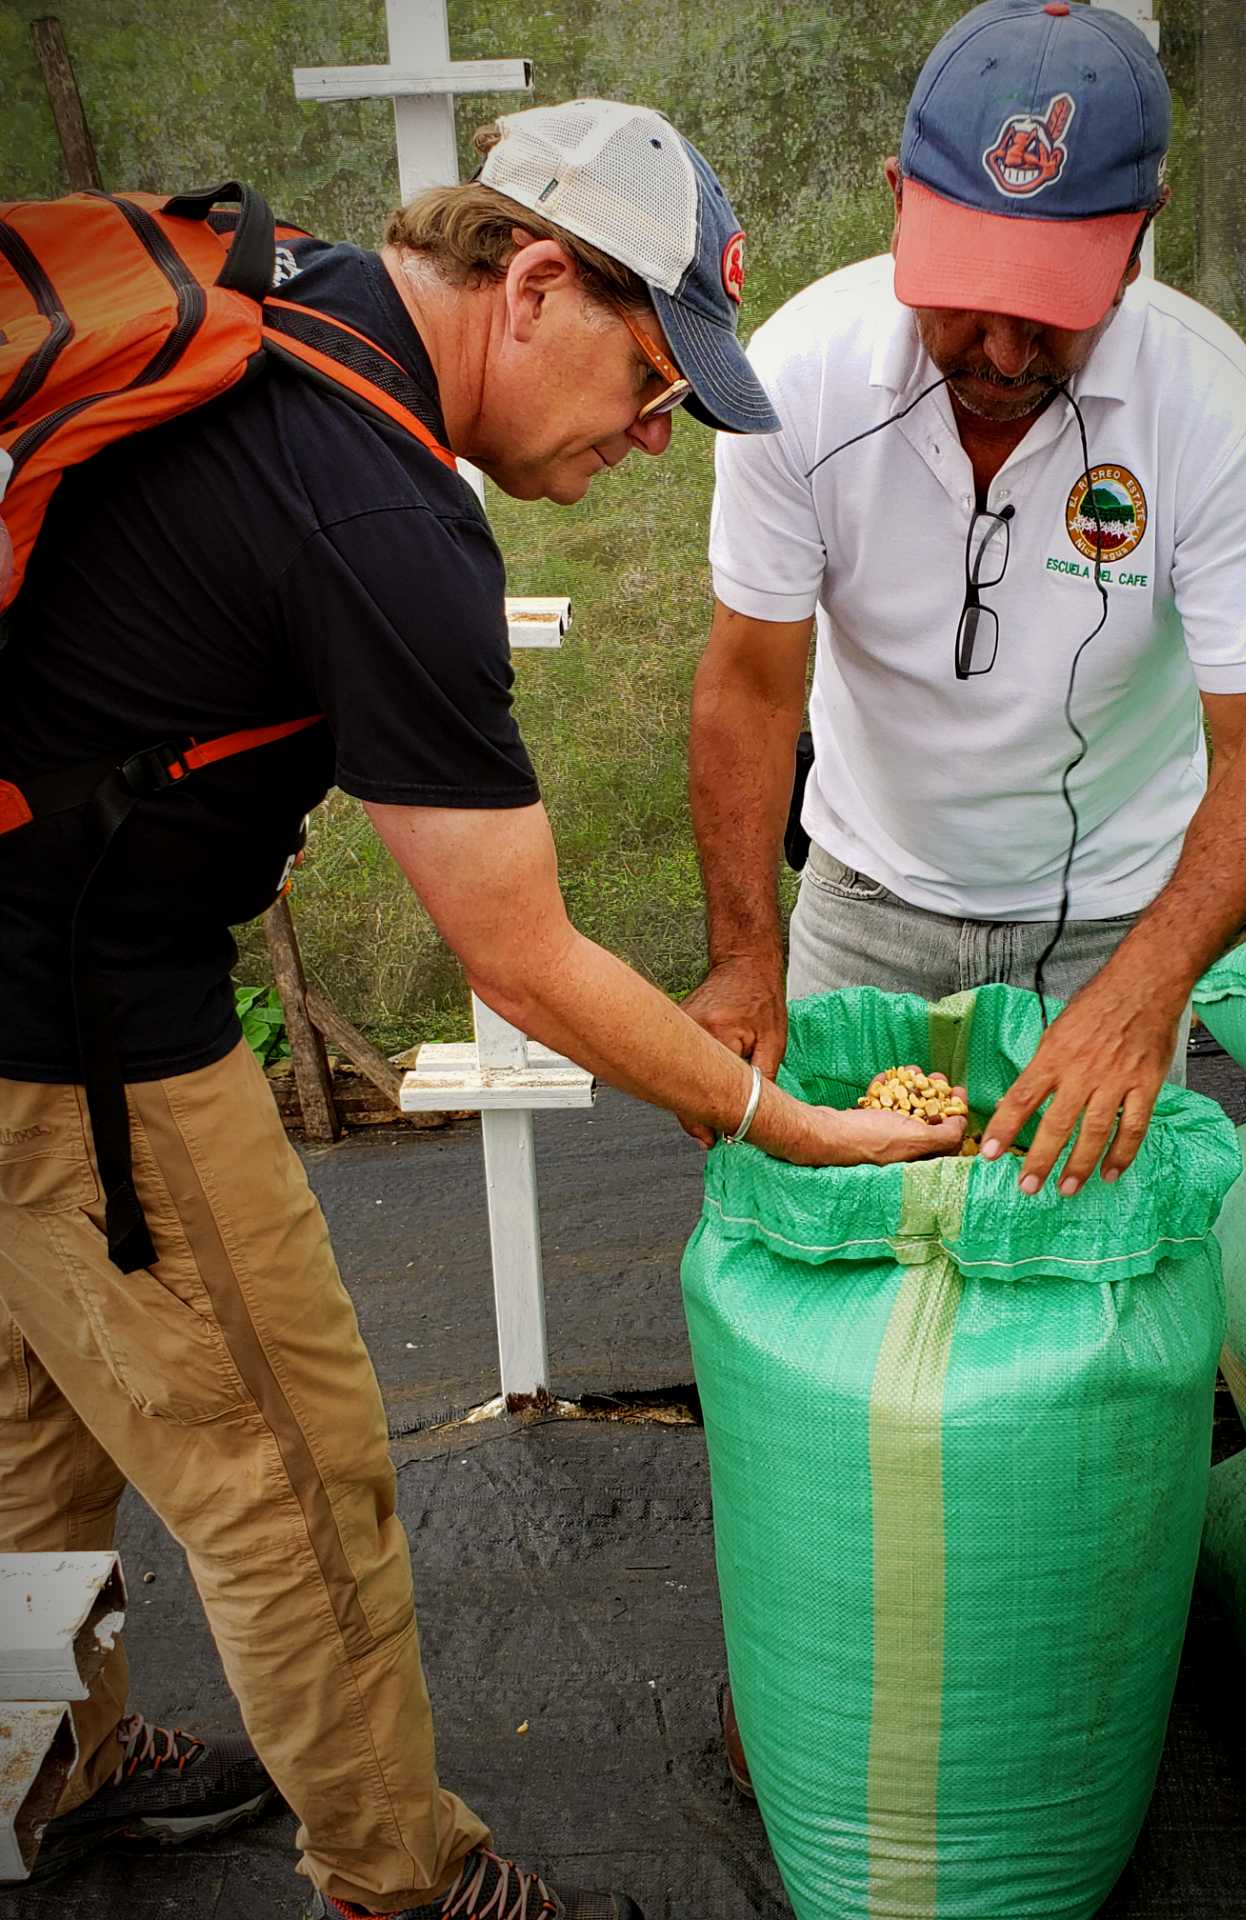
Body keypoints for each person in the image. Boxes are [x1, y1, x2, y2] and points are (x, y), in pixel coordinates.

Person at [0, 103, 963, 1920]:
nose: (654, 434)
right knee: (298, 1491)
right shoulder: (383, 507)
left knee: (32, 1439)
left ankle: (48, 1766)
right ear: (532, 282)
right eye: (648, 377)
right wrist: (793, 1123)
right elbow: (523, 956)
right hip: (78, 1040)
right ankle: (405, 1884)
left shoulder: (275, 298)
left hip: (23, 966)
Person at [684, 0, 1246, 1204]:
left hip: (1119, 921)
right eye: (965, 293)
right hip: (866, 899)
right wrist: (742, 956)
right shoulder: (798, 381)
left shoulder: (1214, 412)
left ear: (1138, 242)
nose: (1001, 349)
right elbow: (752, 684)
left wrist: (1142, 995)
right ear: (897, 202)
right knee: (852, 1246)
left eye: (1048, 305)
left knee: (1081, 1290)